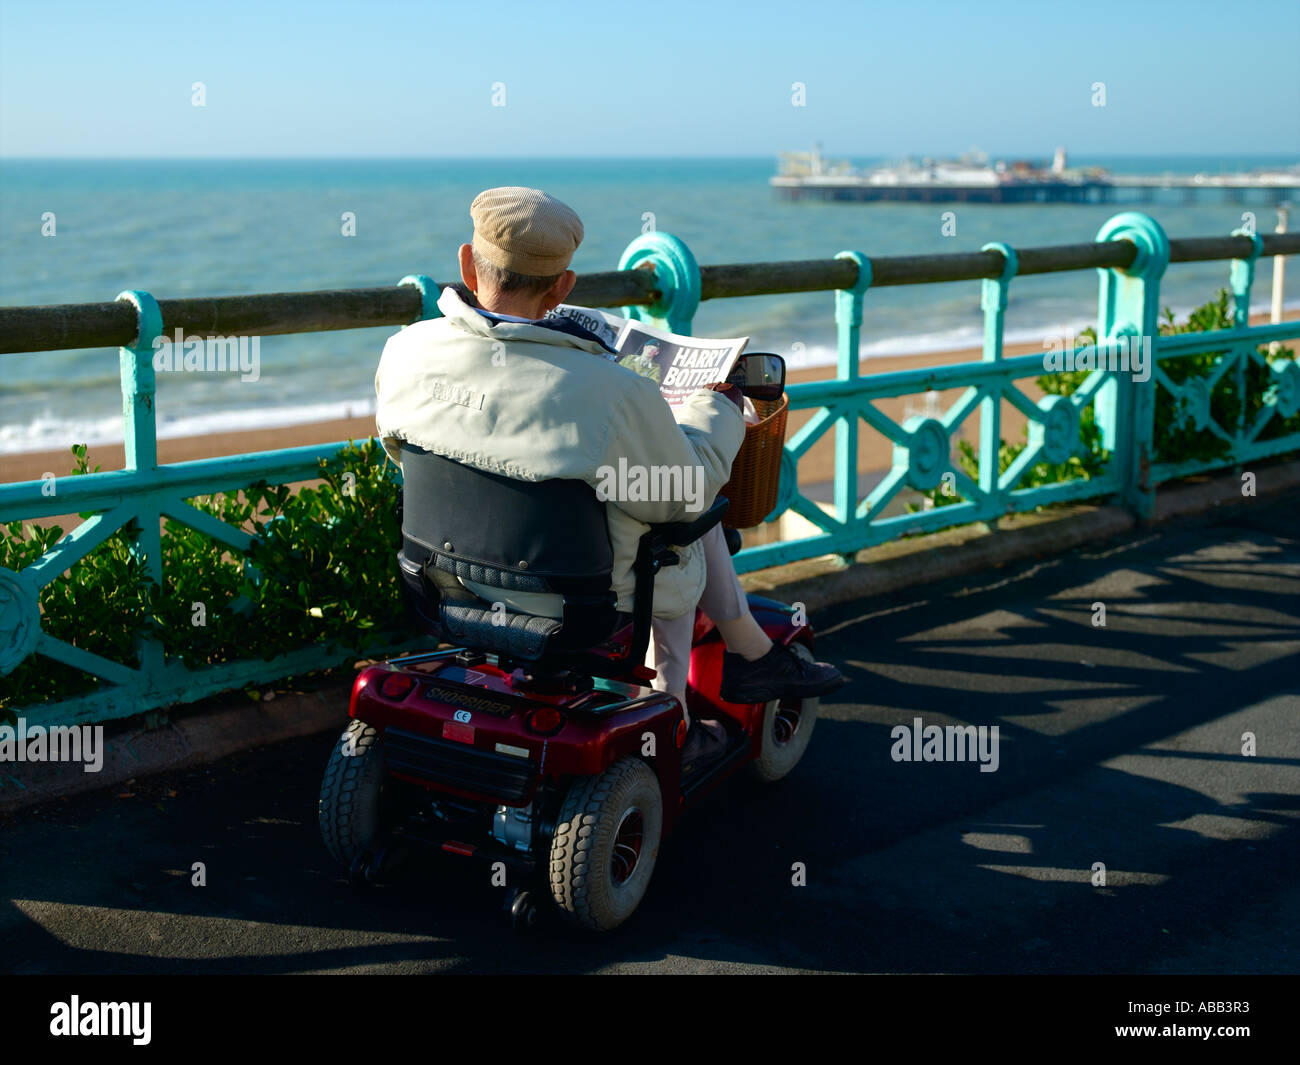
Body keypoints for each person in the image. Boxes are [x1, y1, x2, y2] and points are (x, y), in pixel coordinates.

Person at [374, 187, 843, 769]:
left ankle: (744, 658)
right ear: (563, 287)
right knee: (681, 526)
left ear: (468, 262)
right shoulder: (613, 392)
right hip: (581, 602)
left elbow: (407, 457)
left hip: (443, 581)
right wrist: (716, 409)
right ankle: (681, 719)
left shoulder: (404, 352)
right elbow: (683, 495)